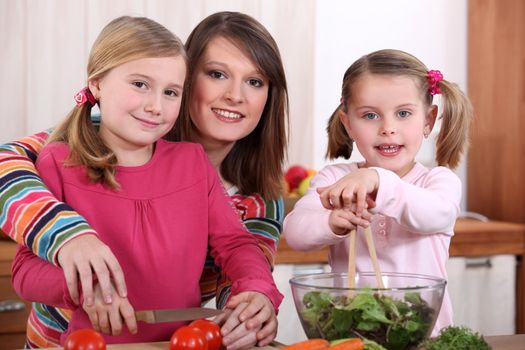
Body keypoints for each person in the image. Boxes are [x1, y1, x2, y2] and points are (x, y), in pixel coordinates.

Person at [7, 13, 285, 348]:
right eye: (217, 74)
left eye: (170, 92)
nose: (155, 105)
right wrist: (77, 263)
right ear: (96, 84)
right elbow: (24, 271)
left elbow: (239, 248)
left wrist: (255, 297)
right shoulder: (58, 156)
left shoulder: (197, 166)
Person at [283, 49, 472, 334]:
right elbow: (295, 232)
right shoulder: (336, 178)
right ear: (348, 124)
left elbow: (436, 213)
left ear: (428, 121)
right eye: (370, 115)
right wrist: (330, 222)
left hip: (426, 338)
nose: (388, 128)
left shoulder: (438, 181)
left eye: (404, 113)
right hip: (353, 336)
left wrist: (378, 180)